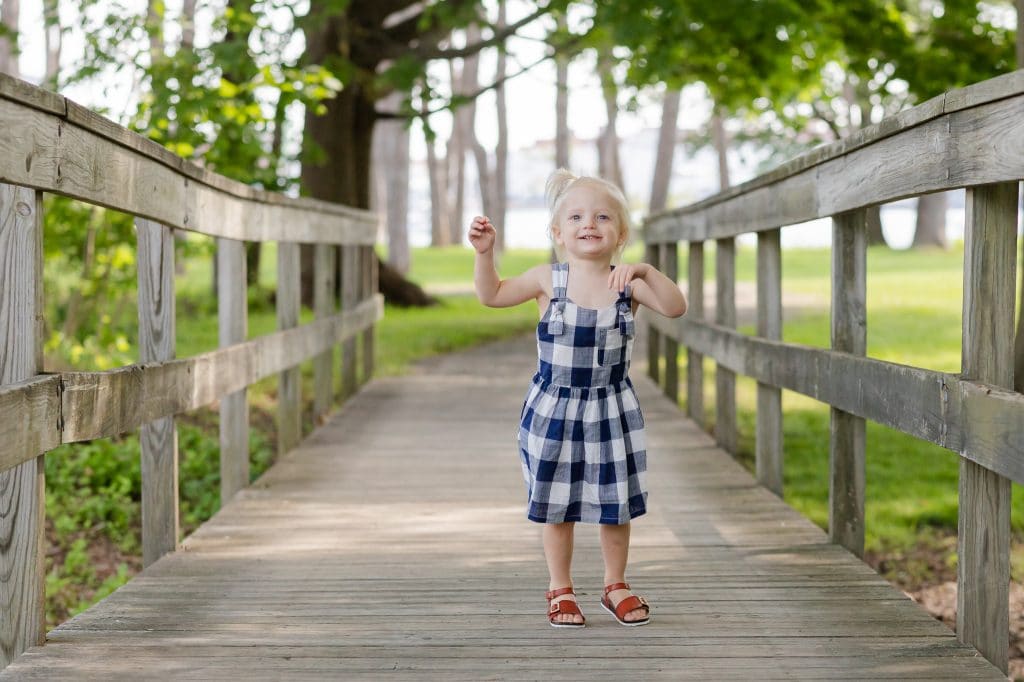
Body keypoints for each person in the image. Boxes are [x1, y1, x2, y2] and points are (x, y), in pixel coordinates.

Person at [469, 169, 687, 628]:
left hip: (611, 409)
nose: (589, 224)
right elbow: (491, 295)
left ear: (621, 234)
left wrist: (646, 269)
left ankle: (615, 584)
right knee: (556, 504)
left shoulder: (628, 284)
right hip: (555, 410)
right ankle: (560, 588)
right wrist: (485, 255)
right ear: (558, 232)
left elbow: (675, 306)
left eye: (603, 216)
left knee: (616, 502)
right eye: (576, 217)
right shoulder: (549, 280)